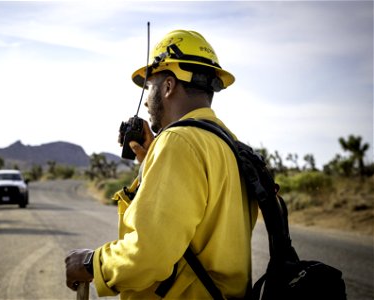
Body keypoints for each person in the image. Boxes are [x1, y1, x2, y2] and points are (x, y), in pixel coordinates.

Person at [65, 30, 258, 299]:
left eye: (149, 86)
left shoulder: (177, 143)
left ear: (168, 87)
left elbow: (148, 255)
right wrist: (150, 162)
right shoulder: (230, 145)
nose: (145, 99)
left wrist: (90, 263)